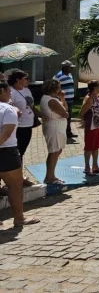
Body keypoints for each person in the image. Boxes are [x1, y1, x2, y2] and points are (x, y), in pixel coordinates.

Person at [0, 82, 40, 227]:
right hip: (6, 151)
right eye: (8, 91)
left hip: (5, 149)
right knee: (15, 185)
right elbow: (6, 134)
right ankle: (19, 218)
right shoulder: (8, 109)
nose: (10, 93)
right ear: (3, 91)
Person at [8, 70, 38, 187]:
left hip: (28, 125)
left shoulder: (26, 90)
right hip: (19, 127)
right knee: (18, 153)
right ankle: (16, 178)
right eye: (26, 78)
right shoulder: (11, 92)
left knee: (22, 152)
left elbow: (32, 106)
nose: (28, 80)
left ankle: (20, 176)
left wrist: (40, 114)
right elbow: (10, 107)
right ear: (17, 80)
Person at [39, 79, 70, 185]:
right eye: (59, 87)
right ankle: (49, 177)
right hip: (54, 128)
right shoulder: (51, 100)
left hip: (56, 127)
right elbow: (65, 114)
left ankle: (51, 175)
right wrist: (64, 110)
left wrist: (62, 99)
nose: (60, 89)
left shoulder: (52, 99)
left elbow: (65, 108)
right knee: (54, 151)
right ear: (54, 89)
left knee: (57, 151)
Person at [80, 80, 99, 175]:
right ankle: (87, 167)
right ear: (95, 88)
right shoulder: (89, 98)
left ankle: (95, 166)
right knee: (89, 147)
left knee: (96, 146)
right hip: (91, 126)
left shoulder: (98, 97)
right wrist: (83, 121)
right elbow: (82, 112)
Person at [53, 60, 78, 142]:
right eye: (70, 68)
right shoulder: (58, 76)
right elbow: (54, 88)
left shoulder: (70, 75)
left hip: (70, 99)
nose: (71, 69)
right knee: (64, 116)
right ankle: (63, 132)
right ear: (65, 68)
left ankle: (68, 131)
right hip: (64, 100)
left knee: (69, 116)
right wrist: (60, 96)